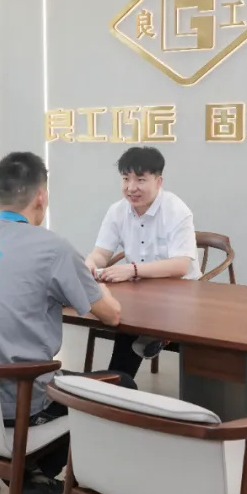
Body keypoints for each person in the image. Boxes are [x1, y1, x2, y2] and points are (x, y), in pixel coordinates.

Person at [0, 151, 130, 494]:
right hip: (15, 404)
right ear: (41, 197)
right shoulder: (53, 248)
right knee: (123, 385)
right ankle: (34, 470)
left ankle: (29, 473)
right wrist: (97, 284)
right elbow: (112, 315)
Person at [83, 146, 200, 378]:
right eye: (126, 179)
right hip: (140, 293)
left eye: (140, 180)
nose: (131, 187)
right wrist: (90, 264)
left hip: (180, 295)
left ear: (158, 181)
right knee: (122, 318)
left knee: (131, 325)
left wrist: (133, 269)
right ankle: (118, 383)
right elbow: (101, 253)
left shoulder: (176, 210)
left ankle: (155, 339)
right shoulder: (117, 211)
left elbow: (181, 266)